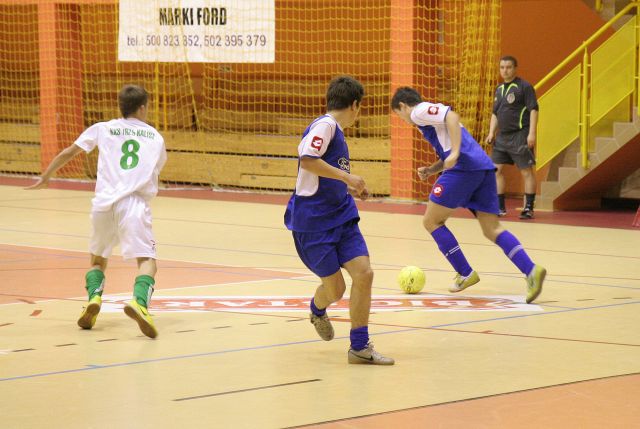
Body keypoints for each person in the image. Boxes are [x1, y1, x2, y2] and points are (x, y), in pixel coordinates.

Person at [26, 84, 166, 338]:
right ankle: (139, 304)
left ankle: (94, 298)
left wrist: (47, 175)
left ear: (120, 106)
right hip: (133, 204)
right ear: (143, 107)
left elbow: (70, 151)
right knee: (147, 261)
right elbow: (154, 170)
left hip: (103, 204)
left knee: (98, 261)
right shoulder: (155, 137)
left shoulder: (103, 128)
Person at [390, 87, 545, 303]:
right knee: (492, 229)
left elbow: (452, 117)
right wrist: (432, 169)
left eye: (399, 115)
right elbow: (450, 144)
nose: (403, 120)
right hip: (482, 167)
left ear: (403, 106)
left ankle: (465, 272)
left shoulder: (418, 111)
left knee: (431, 221)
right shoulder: (431, 122)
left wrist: (455, 153)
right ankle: (531, 270)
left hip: (463, 168)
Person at [284, 76, 394, 365]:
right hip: (313, 221)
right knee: (336, 290)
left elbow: (323, 174)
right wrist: (348, 176)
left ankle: (359, 347)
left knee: (364, 274)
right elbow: (308, 159)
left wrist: (348, 186)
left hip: (341, 215)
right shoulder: (326, 125)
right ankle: (317, 309)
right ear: (355, 104)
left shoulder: (338, 133)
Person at [485, 55, 539, 219]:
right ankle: (500, 207)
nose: (505, 70)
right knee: (494, 171)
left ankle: (528, 208)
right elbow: (495, 113)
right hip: (502, 137)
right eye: (502, 67)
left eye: (508, 67)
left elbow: (533, 110)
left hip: (520, 134)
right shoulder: (499, 89)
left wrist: (532, 133)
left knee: (526, 171)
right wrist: (491, 132)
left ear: (515, 68)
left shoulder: (524, 87)